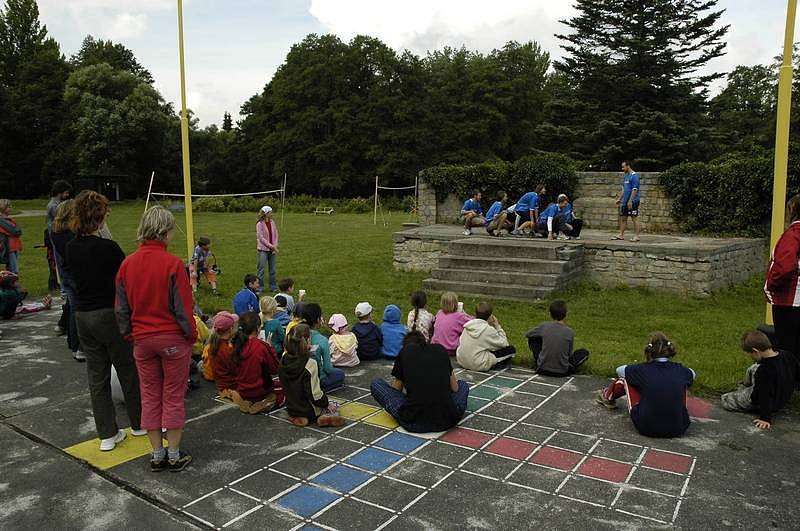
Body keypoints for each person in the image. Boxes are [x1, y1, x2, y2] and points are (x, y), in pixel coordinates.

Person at [115, 205, 196, 471]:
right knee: (172, 395)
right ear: (163, 231)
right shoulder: (172, 264)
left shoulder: (127, 264)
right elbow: (183, 308)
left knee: (149, 396)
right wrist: (190, 335)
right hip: (172, 338)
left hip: (142, 339)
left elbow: (121, 307)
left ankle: (156, 453)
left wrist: (129, 333)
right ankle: (173, 454)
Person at [66, 191, 143, 452]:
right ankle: (138, 423)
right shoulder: (107, 248)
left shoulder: (71, 247)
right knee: (128, 369)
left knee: (96, 376)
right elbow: (126, 279)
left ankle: (107, 434)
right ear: (99, 217)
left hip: (83, 316)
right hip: (109, 313)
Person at [596, 333, 695, 438]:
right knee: (682, 382)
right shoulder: (681, 370)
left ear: (649, 350)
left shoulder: (641, 370)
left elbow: (619, 370)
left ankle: (607, 397)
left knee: (625, 379)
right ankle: (674, 413)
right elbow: (692, 374)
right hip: (679, 427)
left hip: (647, 427)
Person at [371, 331, 469, 433]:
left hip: (413, 422)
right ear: (425, 342)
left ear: (405, 346)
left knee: (376, 383)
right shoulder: (440, 349)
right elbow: (455, 388)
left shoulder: (405, 352)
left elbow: (396, 391)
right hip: (448, 420)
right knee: (463, 385)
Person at [721, 330, 799, 429]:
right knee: (753, 368)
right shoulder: (787, 355)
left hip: (770, 403)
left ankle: (743, 390)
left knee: (725, 400)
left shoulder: (764, 371)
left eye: (750, 354)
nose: (751, 356)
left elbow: (765, 395)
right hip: (782, 394)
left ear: (756, 351)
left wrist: (765, 418)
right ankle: (746, 387)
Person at [279, 324, 346, 427]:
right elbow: (315, 394)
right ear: (308, 340)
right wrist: (326, 403)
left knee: (302, 406)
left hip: (291, 406)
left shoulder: (283, 358)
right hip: (309, 409)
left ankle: (298, 417)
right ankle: (321, 418)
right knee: (334, 405)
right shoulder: (310, 363)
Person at [765, 194, 800, 361]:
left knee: (787, 346)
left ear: (792, 210)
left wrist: (771, 284)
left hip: (789, 301)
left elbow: (785, 266)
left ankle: (787, 381)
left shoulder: (794, 234)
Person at [49, 200, 83, 361]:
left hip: (66, 276)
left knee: (72, 308)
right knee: (79, 311)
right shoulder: (70, 236)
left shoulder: (56, 231)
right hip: (75, 276)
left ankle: (74, 344)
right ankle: (79, 346)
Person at [231, 312, 281, 414]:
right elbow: (275, 368)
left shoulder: (234, 343)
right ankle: (267, 402)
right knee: (283, 391)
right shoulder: (261, 346)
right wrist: (270, 348)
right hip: (261, 390)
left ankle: (246, 401)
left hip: (242, 389)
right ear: (257, 328)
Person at [526, 300, 589, 376]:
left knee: (533, 339)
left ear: (550, 314)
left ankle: (540, 361)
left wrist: (544, 338)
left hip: (541, 369)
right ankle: (563, 365)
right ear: (566, 314)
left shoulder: (544, 326)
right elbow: (569, 353)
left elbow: (529, 334)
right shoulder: (570, 332)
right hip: (562, 372)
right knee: (584, 352)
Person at [457, 302, 516, 371]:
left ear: (476, 314)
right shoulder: (488, 330)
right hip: (477, 364)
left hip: (461, 360)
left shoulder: (467, 325)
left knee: (483, 347)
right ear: (490, 316)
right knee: (511, 350)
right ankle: (494, 365)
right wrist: (497, 326)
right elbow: (504, 344)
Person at [301, 303, 345, 392]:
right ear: (318, 319)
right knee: (340, 374)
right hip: (317, 379)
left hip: (298, 375)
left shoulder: (295, 333)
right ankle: (318, 389)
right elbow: (328, 369)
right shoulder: (322, 340)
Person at [202, 312, 239, 401]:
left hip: (220, 383)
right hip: (231, 384)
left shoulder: (213, 345)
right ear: (231, 328)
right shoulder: (226, 349)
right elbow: (235, 370)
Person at [46, 180, 72, 293]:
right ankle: (64, 290)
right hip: (57, 237)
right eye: (66, 192)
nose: (67, 195)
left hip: (61, 235)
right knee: (60, 263)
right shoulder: (53, 206)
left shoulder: (58, 204)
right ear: (59, 192)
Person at [430, 292, 472, 356]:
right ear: (455, 304)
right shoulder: (459, 316)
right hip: (450, 349)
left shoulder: (439, 312)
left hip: (435, 347)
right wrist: (465, 314)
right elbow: (473, 322)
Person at [615, 161, 641, 242]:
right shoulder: (626, 176)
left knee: (634, 218)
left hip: (633, 202)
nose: (622, 169)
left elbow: (635, 190)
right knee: (623, 218)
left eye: (623, 167)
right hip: (625, 202)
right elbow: (624, 189)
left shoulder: (635, 176)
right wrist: (619, 199)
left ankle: (636, 236)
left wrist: (630, 201)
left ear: (628, 166)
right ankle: (621, 235)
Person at [256, 205, 278, 293]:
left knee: (272, 270)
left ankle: (273, 287)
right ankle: (259, 288)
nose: (272, 214)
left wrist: (275, 245)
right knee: (261, 270)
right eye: (270, 212)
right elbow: (261, 238)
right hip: (263, 250)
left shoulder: (272, 222)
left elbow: (276, 234)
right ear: (266, 213)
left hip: (272, 249)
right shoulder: (259, 224)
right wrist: (272, 246)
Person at [0, 199, 22, 274]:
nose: (11, 208)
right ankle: (12, 284)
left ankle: (9, 284)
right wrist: (16, 228)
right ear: (3, 207)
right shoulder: (2, 219)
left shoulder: (8, 219)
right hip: (9, 247)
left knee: (11, 269)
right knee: (13, 270)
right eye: (9, 206)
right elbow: (15, 230)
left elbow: (18, 230)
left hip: (13, 246)